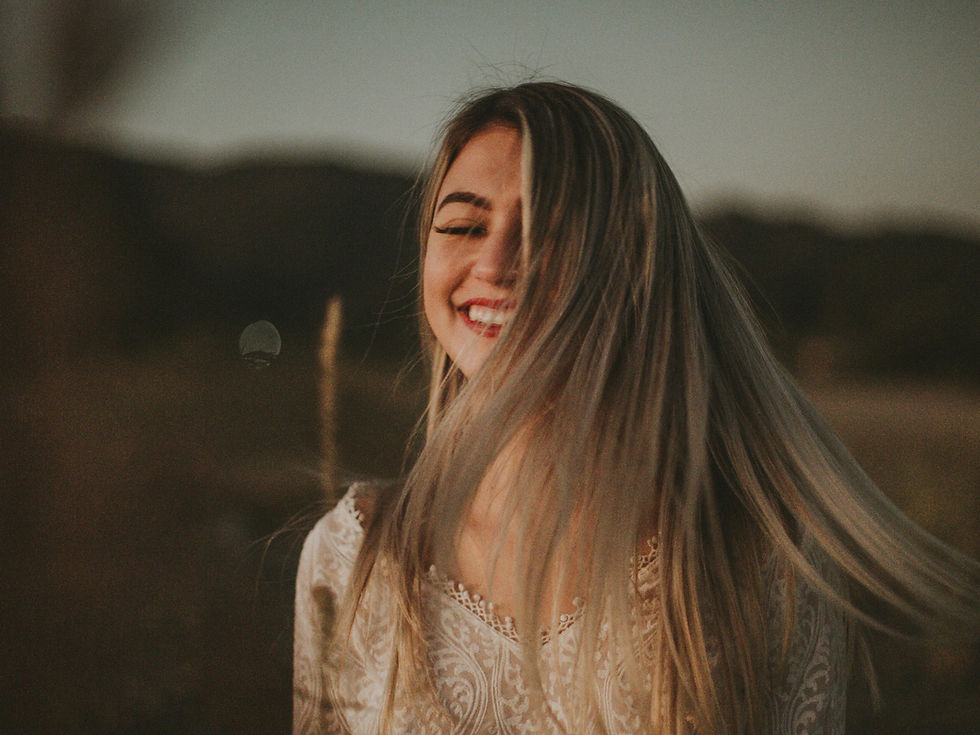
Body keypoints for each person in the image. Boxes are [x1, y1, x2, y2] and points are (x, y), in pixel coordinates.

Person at [292, 81, 979, 734]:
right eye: (464, 226)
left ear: (633, 266)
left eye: (550, 229)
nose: (496, 262)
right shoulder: (352, 559)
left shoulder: (764, 559)